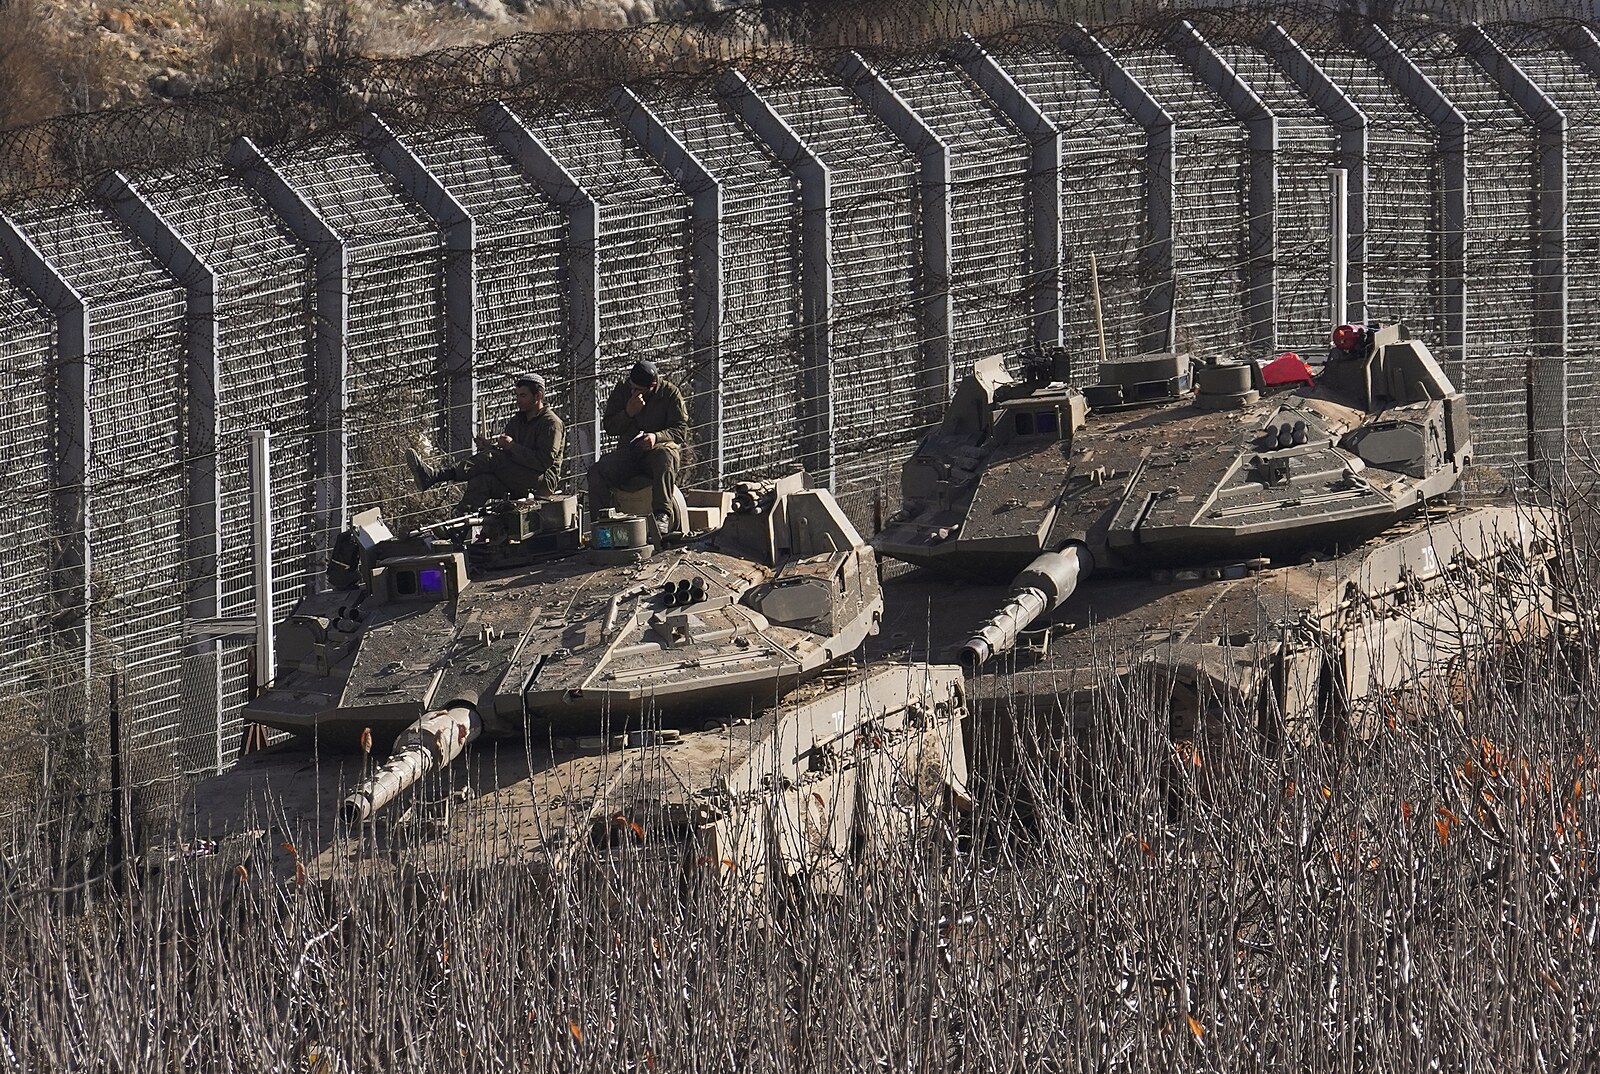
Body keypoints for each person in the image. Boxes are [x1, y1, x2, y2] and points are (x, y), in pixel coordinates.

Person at [407, 372, 565, 510]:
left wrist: (511, 447)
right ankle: (457, 527)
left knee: (493, 459)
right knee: (482, 481)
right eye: (517, 395)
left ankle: (436, 476)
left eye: (523, 396)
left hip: (542, 482)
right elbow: (507, 457)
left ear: (538, 396)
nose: (518, 400)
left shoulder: (551, 424)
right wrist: (490, 447)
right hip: (520, 475)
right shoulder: (518, 421)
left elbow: (543, 462)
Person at [587, 360, 688, 533]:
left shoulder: (670, 394)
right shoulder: (623, 390)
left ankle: (661, 515)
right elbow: (610, 427)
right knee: (598, 471)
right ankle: (601, 525)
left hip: (656, 452)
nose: (633, 392)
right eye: (632, 387)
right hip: (629, 452)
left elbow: (680, 431)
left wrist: (656, 437)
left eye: (638, 390)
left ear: (652, 386)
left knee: (666, 457)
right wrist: (628, 413)